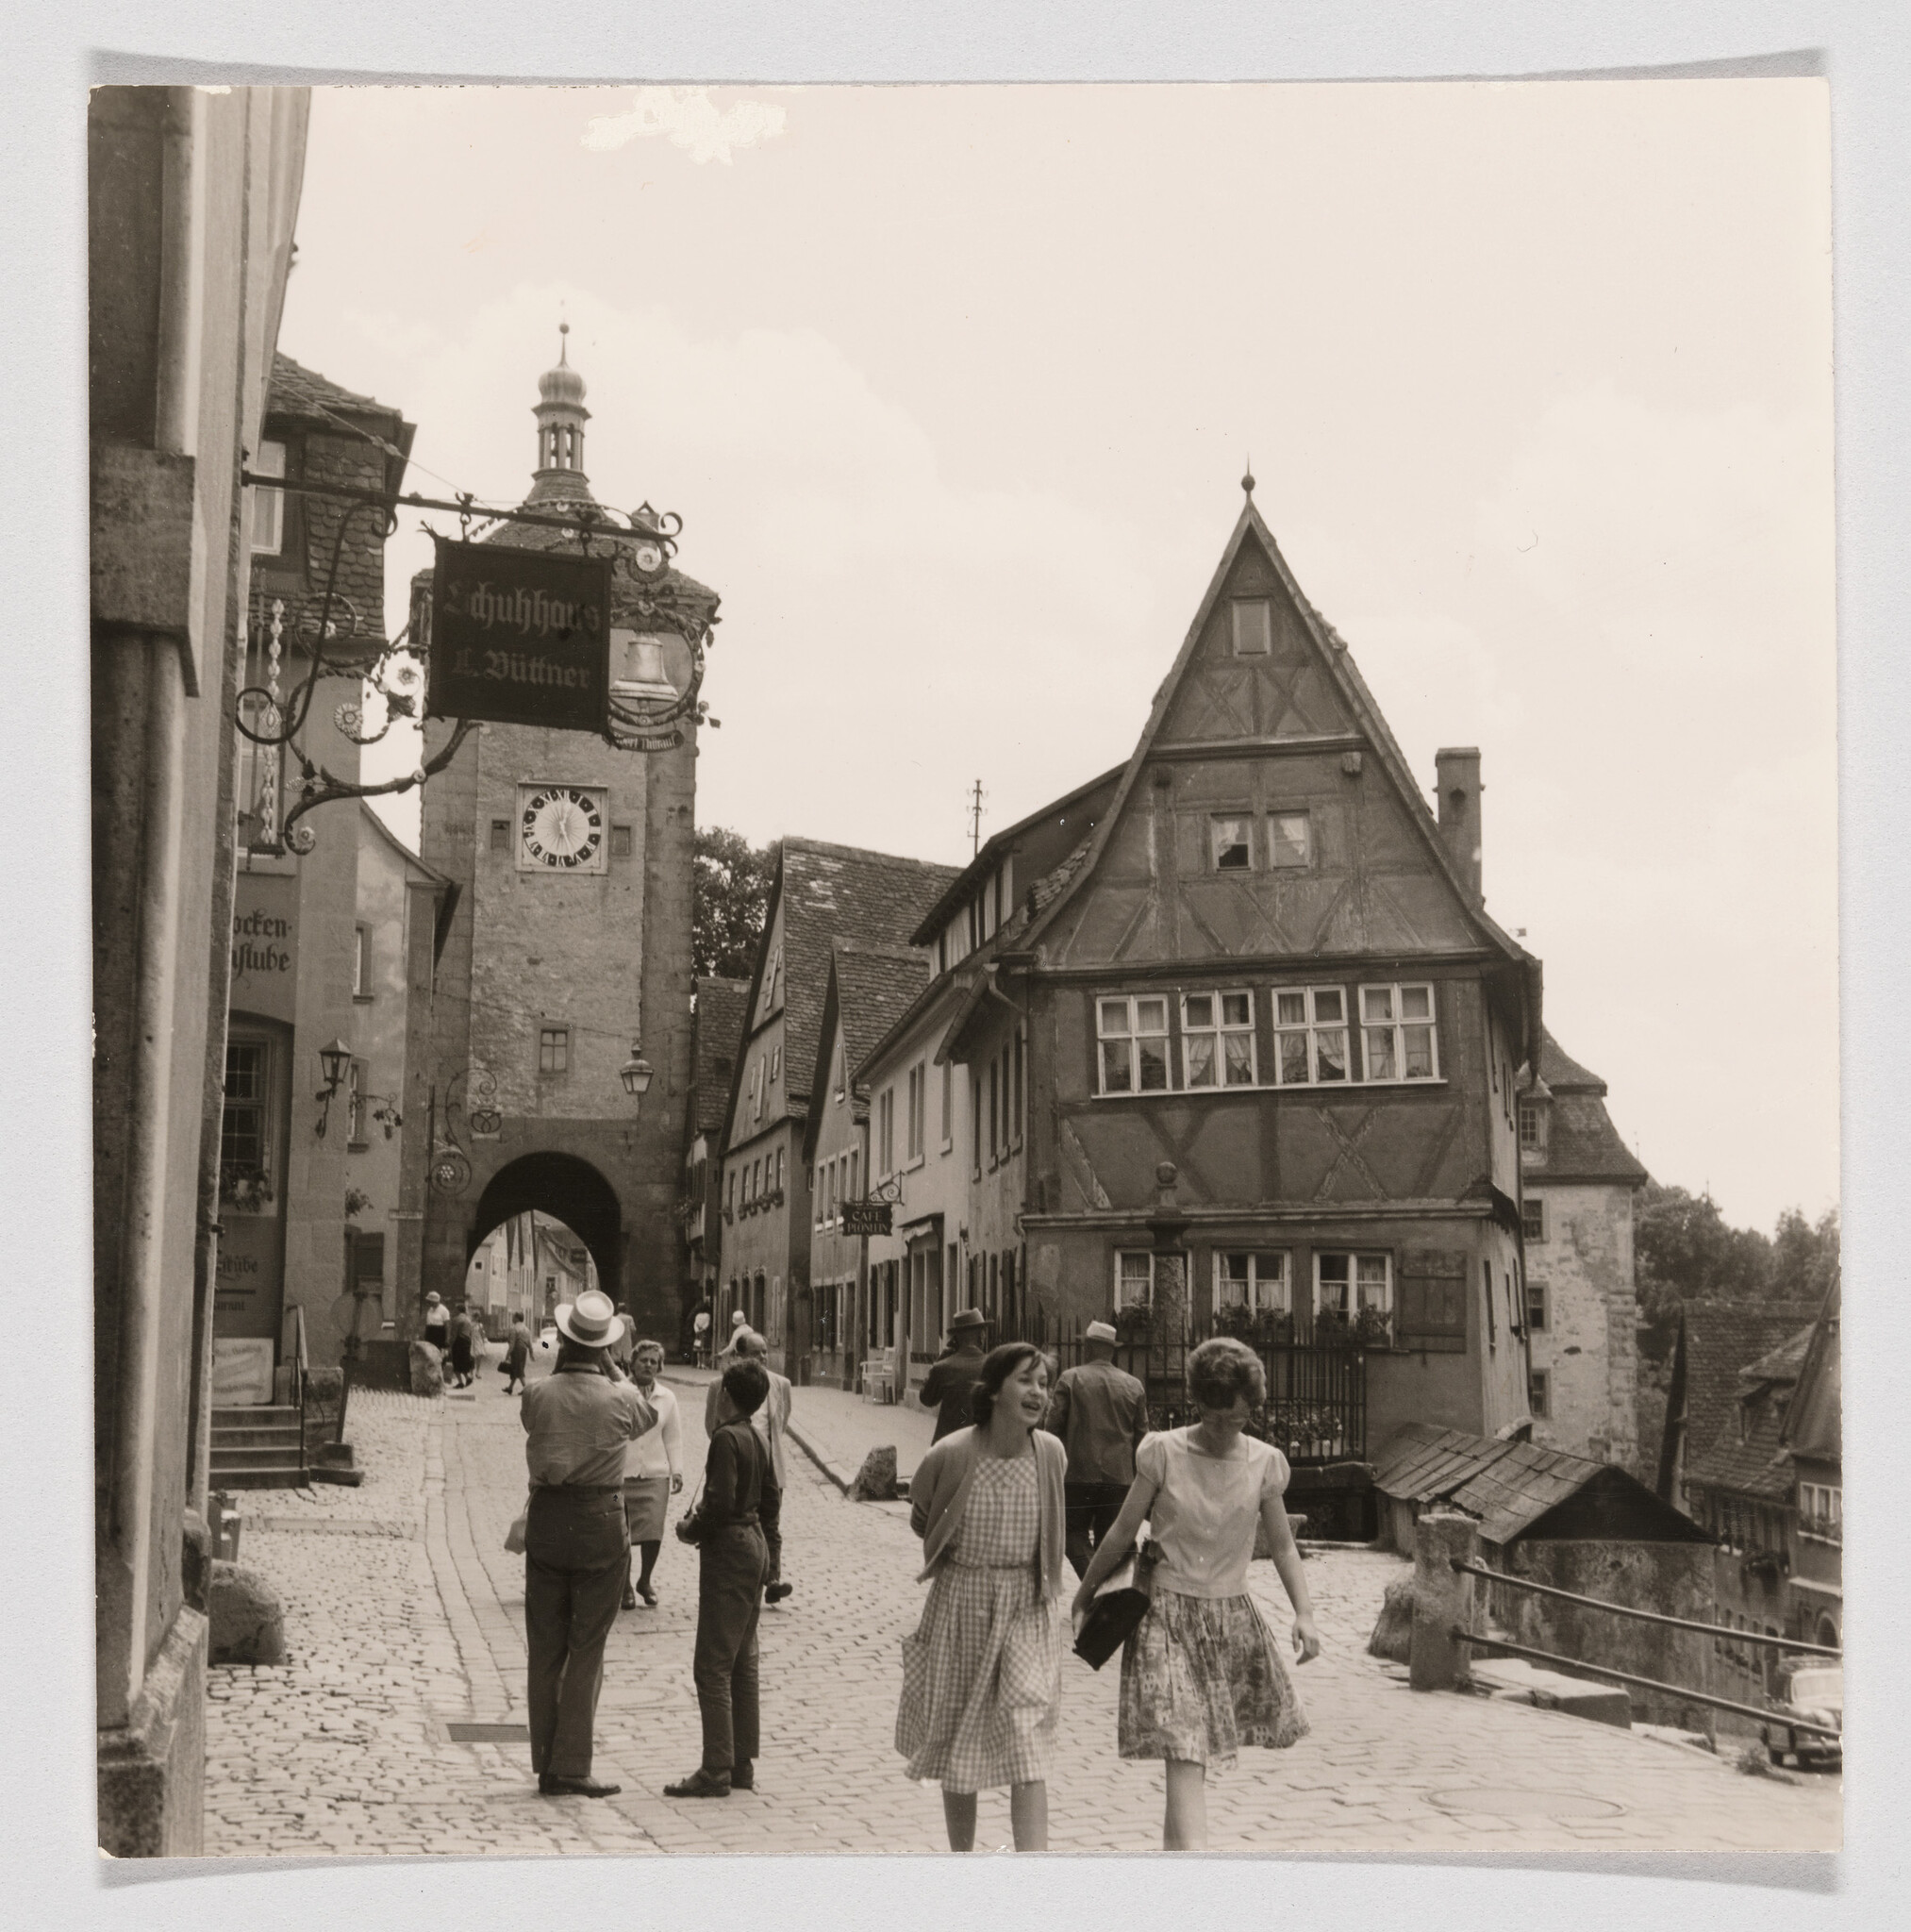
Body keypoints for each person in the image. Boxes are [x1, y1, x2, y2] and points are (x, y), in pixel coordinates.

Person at [1070, 1336, 1321, 1851]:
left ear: (1253, 1408)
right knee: (1185, 1751)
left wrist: (1305, 1613)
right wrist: (1085, 1592)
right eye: (1213, 1417)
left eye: (1236, 1419)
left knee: (1191, 1756)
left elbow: (1284, 1548)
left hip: (1230, 1619)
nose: (1224, 1429)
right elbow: (1120, 1531)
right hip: (1164, 1615)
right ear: (1197, 1403)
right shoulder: (1163, 1452)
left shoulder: (1265, 1463)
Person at [898, 1342, 1067, 1854]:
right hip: (963, 1604)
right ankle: (962, 1860)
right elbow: (923, 1515)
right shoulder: (952, 1453)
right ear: (994, 1390)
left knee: (1027, 1735)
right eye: (1025, 1380)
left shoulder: (1051, 1453)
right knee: (957, 1734)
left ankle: (1032, 1868)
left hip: (1027, 1607)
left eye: (1044, 1383)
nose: (1038, 1392)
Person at [519, 1289, 653, 1799]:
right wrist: (613, 1369)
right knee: (587, 1649)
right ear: (604, 1349)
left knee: (545, 1647)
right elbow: (646, 1416)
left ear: (563, 1342)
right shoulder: (621, 1398)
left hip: (549, 1519)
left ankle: (546, 1761)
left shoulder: (537, 1394)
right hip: (600, 1521)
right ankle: (572, 1764)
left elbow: (537, 1414)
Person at [665, 1357, 774, 1799]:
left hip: (729, 1550)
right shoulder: (759, 1437)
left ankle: (715, 1769)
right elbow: (769, 1502)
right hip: (755, 1544)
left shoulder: (726, 1438)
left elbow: (720, 1503)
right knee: (743, 1661)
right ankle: (740, 1761)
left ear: (725, 1395)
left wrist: (691, 1530)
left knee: (711, 1664)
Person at [1045, 1320, 1151, 1579]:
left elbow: (1052, 1430)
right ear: (1111, 1350)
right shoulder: (1133, 1385)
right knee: (1110, 1541)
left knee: (1072, 1534)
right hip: (1120, 1477)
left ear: (1089, 1348)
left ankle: (1094, 1588)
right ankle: (1105, 1594)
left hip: (1077, 1475)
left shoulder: (1071, 1378)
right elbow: (1142, 1438)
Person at [712, 1330, 792, 1604]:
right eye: (756, 1352)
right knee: (737, 1519)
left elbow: (782, 1422)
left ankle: (772, 1579)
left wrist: (764, 1449)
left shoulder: (780, 1384)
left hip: (769, 1463)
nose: (762, 1357)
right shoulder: (721, 1385)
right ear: (740, 1356)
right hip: (737, 1461)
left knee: (771, 1521)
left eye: (765, 1351)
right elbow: (712, 1424)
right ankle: (745, 1578)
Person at [621, 1339, 683, 1609]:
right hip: (617, 1480)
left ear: (660, 1367)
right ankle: (624, 1587)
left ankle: (644, 1580)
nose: (648, 1364)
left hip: (656, 1476)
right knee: (617, 1532)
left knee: (654, 1530)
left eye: (653, 1361)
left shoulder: (667, 1398)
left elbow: (673, 1437)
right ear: (632, 1363)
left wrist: (677, 1470)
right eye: (643, 1360)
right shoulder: (618, 1391)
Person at [918, 1308, 989, 1442]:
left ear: (955, 1340)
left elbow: (926, 1399)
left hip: (947, 1446)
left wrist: (940, 1360)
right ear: (981, 1336)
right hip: (982, 1446)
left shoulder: (943, 1368)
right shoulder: (993, 1366)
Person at [501, 1314, 532, 1394]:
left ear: (517, 1318)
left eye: (513, 1317)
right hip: (524, 1350)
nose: (512, 1318)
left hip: (516, 1351)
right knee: (516, 1369)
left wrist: (507, 1356)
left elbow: (512, 1344)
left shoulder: (514, 1328)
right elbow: (529, 1343)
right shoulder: (526, 1329)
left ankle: (526, 1389)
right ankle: (510, 1388)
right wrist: (531, 1353)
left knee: (519, 1370)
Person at [447, 1304, 475, 1389]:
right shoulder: (468, 1320)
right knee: (463, 1362)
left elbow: (454, 1334)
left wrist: (450, 1345)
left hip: (458, 1342)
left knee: (456, 1362)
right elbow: (471, 1333)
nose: (454, 1311)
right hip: (467, 1341)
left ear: (458, 1310)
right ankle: (467, 1378)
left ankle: (461, 1382)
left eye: (455, 1309)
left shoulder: (456, 1320)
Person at [422, 1291, 450, 1356]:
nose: (428, 1303)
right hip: (430, 1332)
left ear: (434, 1301)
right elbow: (428, 1322)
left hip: (438, 1333)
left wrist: (447, 1339)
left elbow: (447, 1325)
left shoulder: (444, 1310)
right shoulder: (430, 1309)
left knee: (438, 1352)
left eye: (430, 1301)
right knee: (429, 1352)